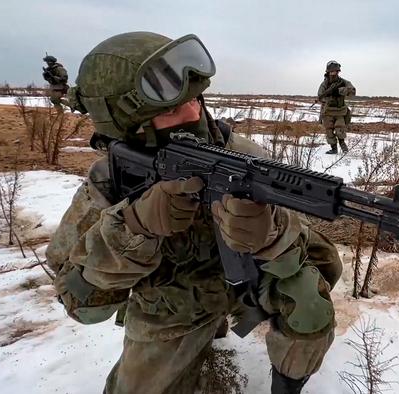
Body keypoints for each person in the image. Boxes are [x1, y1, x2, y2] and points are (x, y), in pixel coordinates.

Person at [45, 32, 342, 394]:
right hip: (170, 306)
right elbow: (80, 302)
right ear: (129, 127)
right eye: (171, 109)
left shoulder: (243, 155)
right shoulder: (109, 181)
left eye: (196, 100)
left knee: (309, 298)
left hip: (245, 284)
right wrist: (133, 227)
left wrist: (273, 232)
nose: (194, 113)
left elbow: (324, 258)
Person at [317, 60, 356, 154]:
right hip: (328, 112)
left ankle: (344, 147)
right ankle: (334, 149)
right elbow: (320, 96)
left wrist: (341, 91)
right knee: (329, 131)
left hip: (340, 111)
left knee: (340, 130)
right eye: (331, 72)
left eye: (335, 71)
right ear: (328, 72)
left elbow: (353, 91)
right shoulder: (324, 84)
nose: (333, 73)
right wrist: (329, 97)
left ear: (338, 72)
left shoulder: (343, 82)